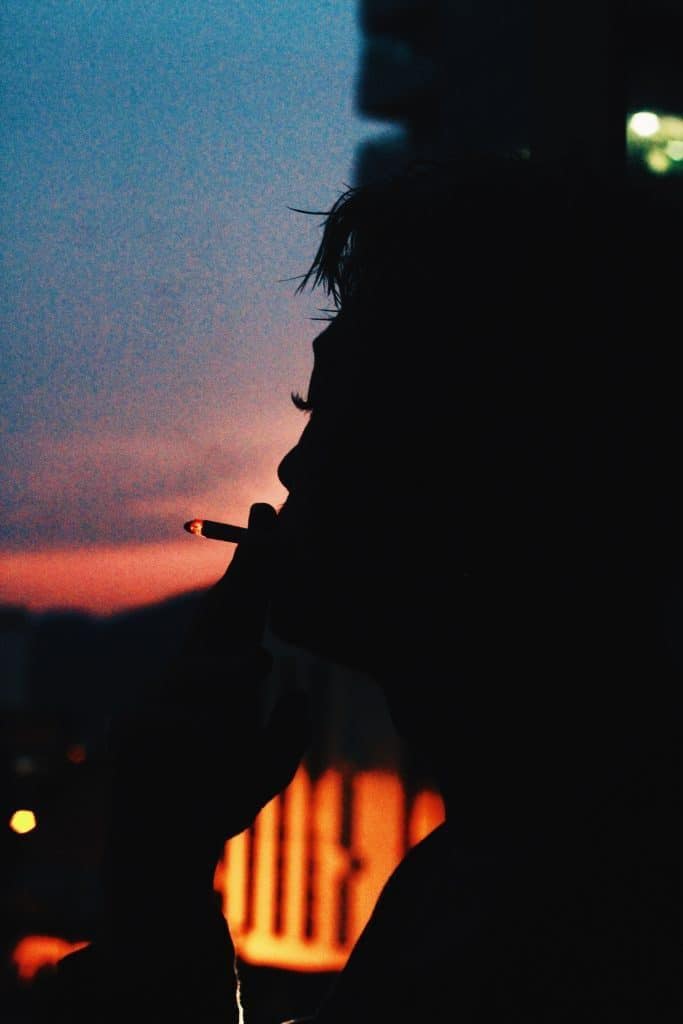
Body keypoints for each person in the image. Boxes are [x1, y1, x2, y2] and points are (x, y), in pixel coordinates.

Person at [48, 152, 682, 1021]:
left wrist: (156, 877)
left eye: (339, 407)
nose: (292, 466)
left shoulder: (585, 918)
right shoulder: (486, 867)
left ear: (507, 455)